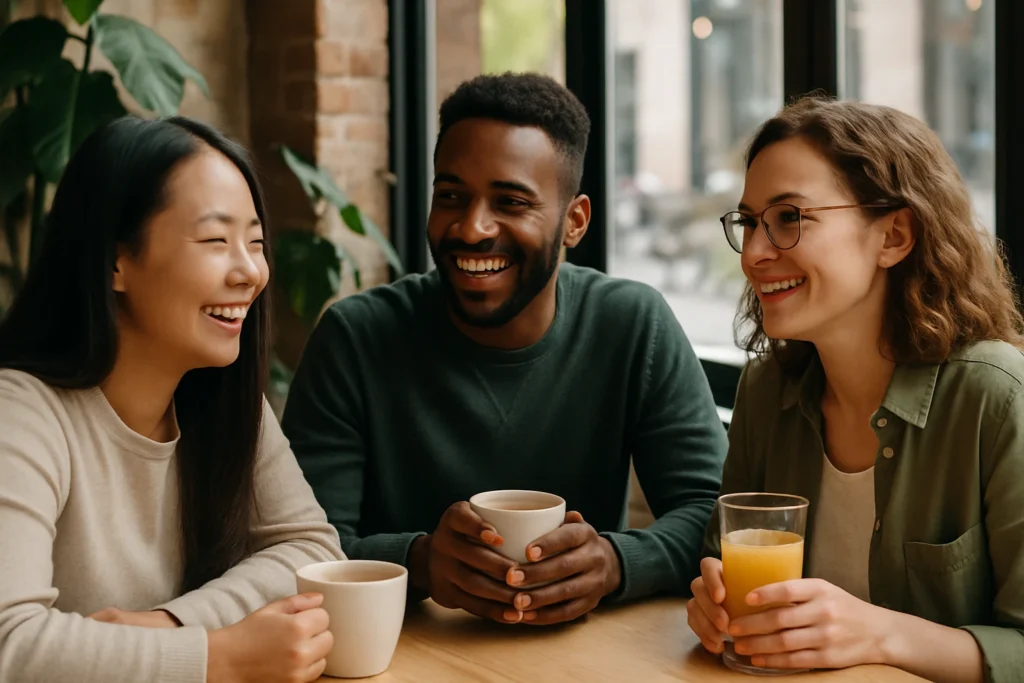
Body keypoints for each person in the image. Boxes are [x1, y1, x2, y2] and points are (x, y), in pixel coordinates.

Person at [282, 72, 728, 627]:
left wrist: (614, 562)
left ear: (575, 222)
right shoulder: (356, 337)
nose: (471, 227)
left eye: (511, 202)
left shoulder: (632, 324)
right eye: (451, 196)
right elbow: (298, 548)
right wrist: (419, 562)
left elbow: (714, 517)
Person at [686, 96, 1024, 683]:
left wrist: (880, 634)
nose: (756, 254)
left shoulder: (998, 398)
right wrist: (713, 607)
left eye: (789, 218)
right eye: (749, 222)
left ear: (893, 236)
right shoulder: (768, 391)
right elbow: (720, 566)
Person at [0, 116, 345, 683]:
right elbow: (11, 643)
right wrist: (219, 657)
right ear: (116, 261)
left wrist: (172, 624)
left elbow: (311, 548)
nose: (250, 272)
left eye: (255, 243)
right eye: (215, 240)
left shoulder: (223, 399)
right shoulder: (22, 412)